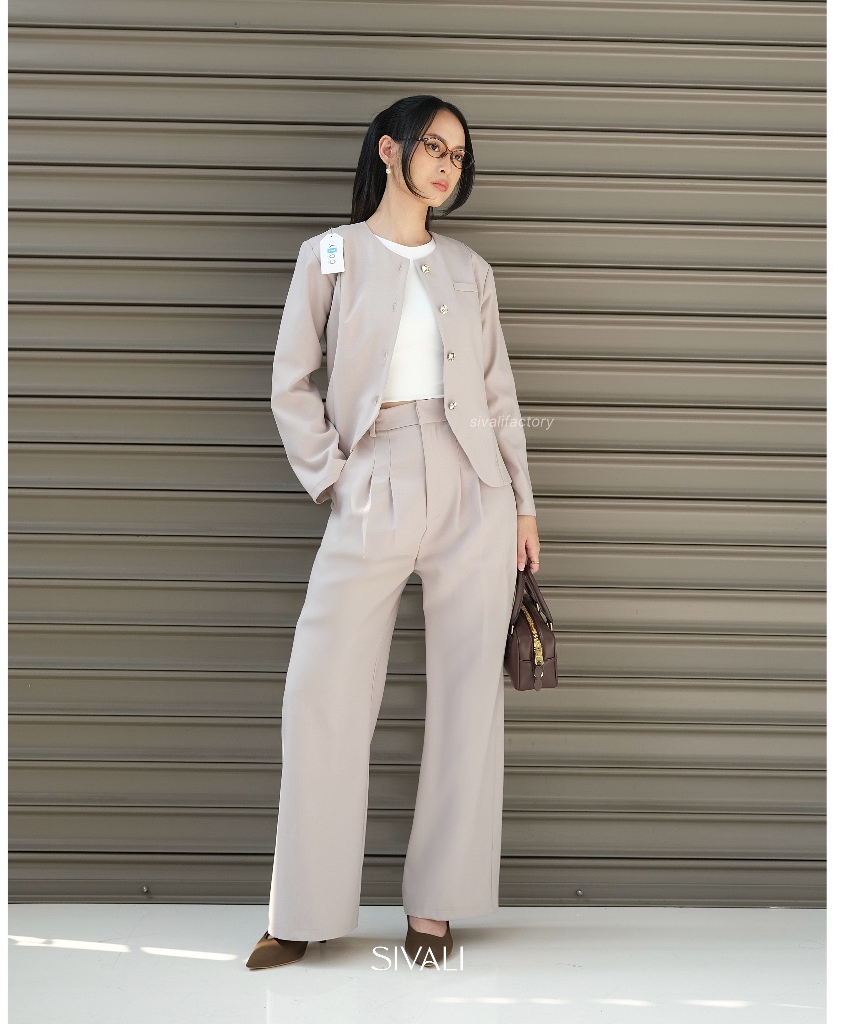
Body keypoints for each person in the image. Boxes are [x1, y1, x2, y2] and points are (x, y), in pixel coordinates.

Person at [247, 95, 541, 970]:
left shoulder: (468, 269)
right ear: (389, 150)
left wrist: (524, 505)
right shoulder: (330, 256)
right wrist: (334, 475)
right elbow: (290, 380)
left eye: (459, 155)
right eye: (434, 147)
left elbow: (498, 394)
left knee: (467, 698)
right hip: (370, 475)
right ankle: (301, 910)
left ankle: (435, 908)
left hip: (474, 484)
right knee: (322, 690)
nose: (449, 165)